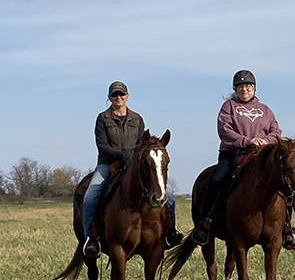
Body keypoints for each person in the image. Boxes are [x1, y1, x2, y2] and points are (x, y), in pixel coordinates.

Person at [82, 81, 183, 258]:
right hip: (108, 163)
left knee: (169, 192)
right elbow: (102, 145)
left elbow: (141, 144)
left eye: (121, 94)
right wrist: (120, 155)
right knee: (91, 195)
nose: (118, 98)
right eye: (114, 95)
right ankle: (91, 239)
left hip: (133, 164)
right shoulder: (102, 118)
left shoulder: (137, 119)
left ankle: (170, 230)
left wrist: (134, 155)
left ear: (127, 97)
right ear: (109, 98)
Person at [191, 69, 282, 246]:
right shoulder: (228, 107)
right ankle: (206, 223)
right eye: (240, 86)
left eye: (248, 86)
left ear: (254, 88)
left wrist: (265, 141)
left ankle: (286, 228)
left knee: (281, 182)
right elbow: (225, 130)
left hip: (261, 155)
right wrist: (247, 141)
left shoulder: (266, 110)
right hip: (233, 153)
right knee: (217, 180)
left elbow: (276, 131)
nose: (244, 89)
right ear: (235, 89)